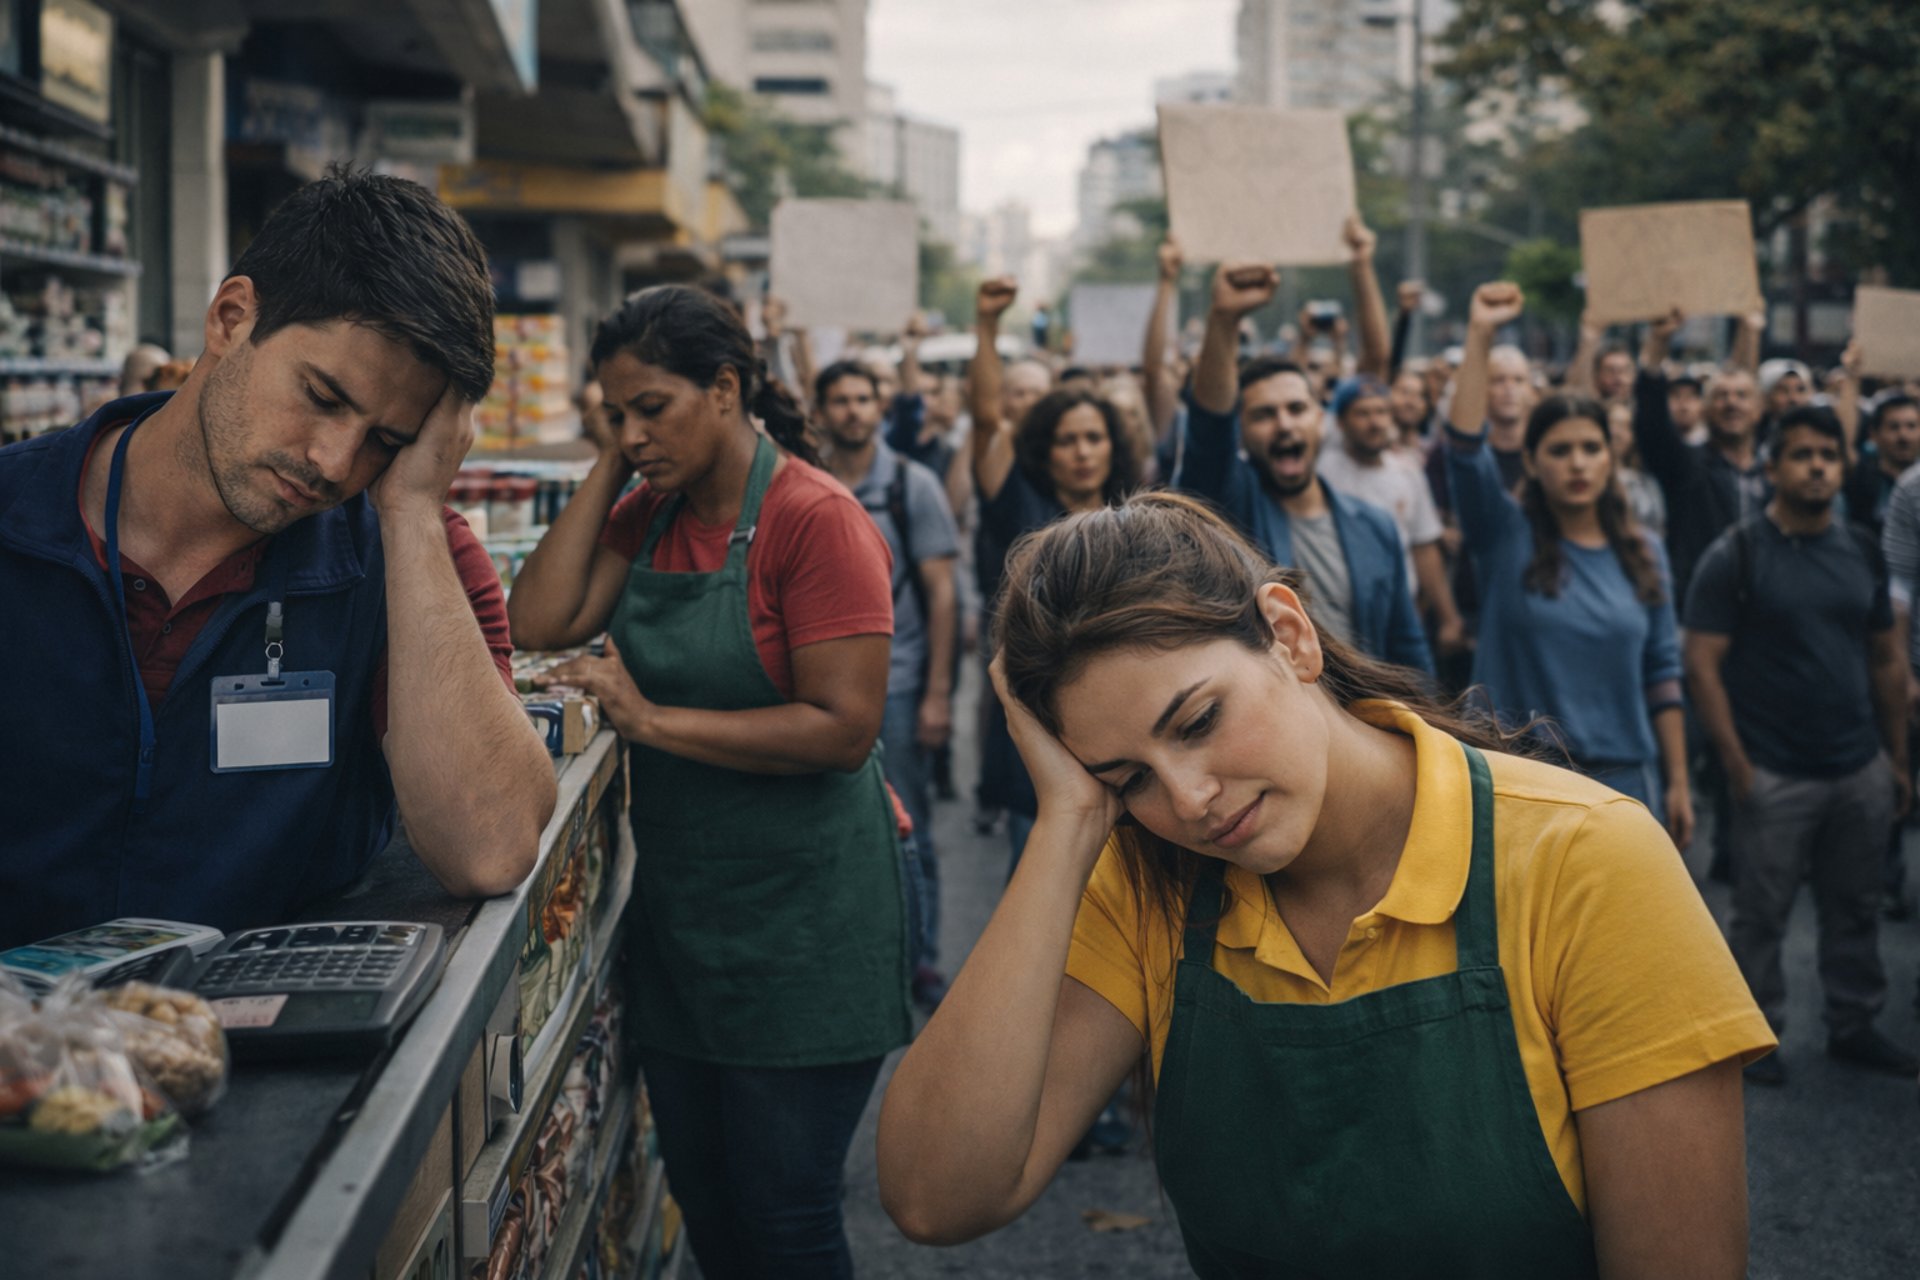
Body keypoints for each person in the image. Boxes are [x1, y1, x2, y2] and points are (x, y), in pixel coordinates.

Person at [877, 490, 1774, 1277]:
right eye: (1128, 778)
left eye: (1197, 721)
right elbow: (935, 1198)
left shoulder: (1589, 861)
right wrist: (1070, 824)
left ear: (1291, 635)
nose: (1187, 801)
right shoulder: (1146, 882)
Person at [0, 168, 555, 950]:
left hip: (279, 1052)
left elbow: (491, 845)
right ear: (231, 318)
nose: (334, 461)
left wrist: (411, 512)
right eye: (323, 396)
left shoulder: (410, 561)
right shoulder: (17, 520)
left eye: (386, 441)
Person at [507, 286, 911, 1278]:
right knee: (709, 1201)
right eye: (616, 413)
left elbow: (843, 727)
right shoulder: (648, 514)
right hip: (689, 918)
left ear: (726, 388)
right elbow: (540, 618)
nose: (637, 432)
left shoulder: (818, 520)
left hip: (809, 920)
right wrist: (617, 457)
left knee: (786, 1216)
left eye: (654, 407)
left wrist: (651, 722)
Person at [1683, 405, 1917, 1086]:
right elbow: (1701, 663)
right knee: (1760, 915)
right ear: (1773, 465)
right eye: (1802, 454)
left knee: (1857, 905)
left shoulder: (1861, 550)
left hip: (1856, 767)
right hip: (1773, 772)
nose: (1817, 466)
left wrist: (1894, 758)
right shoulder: (1737, 554)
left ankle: (1854, 1022)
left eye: (1829, 455)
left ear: (1844, 467)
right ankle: (1755, 1035)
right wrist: (1736, 764)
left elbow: (1884, 659)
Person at [1446, 283, 1689, 838]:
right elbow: (1463, 449)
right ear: (1531, 460)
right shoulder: (1504, 533)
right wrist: (1481, 333)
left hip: (1622, 784)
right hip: (1520, 779)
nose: (1577, 463)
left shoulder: (1644, 552)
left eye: (1590, 448)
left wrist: (1677, 780)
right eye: (1559, 450)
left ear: (1612, 455)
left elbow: (1663, 673)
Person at [1180, 261, 1432, 674]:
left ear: (1321, 418)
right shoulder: (1231, 511)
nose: (1284, 424)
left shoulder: (1376, 526)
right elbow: (1208, 432)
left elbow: (1408, 650)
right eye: (1264, 414)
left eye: (1297, 409)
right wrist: (1224, 319)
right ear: (1241, 431)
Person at [969, 276, 1137, 870]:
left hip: (1129, 733)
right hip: (1038, 740)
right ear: (1045, 451)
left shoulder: (1138, 524)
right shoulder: (1019, 508)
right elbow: (988, 423)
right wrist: (987, 326)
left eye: (1094, 437)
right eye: (1067, 440)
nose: (1083, 451)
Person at [817, 359, 962, 1008]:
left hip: (898, 688)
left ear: (882, 408)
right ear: (819, 411)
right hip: (820, 692)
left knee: (912, 828)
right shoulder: (807, 483)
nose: (852, 410)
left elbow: (943, 596)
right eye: (839, 400)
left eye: (863, 398)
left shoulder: (913, 485)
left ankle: (919, 960)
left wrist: (937, 695)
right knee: (831, 828)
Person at [1316, 374, 1466, 657]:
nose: (1375, 423)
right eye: (1362, 413)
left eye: (1382, 412)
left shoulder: (1407, 471)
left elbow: (1424, 547)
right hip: (1334, 620)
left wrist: (1448, 618)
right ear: (1340, 422)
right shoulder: (1322, 466)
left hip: (1396, 618)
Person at [1633, 310, 1768, 605]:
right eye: (1721, 396)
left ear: (1759, 410)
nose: (1731, 403)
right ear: (1705, 411)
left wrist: (1750, 331)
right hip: (1701, 608)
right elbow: (1652, 424)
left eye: (1742, 396)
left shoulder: (1774, 474)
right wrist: (1658, 343)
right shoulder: (1687, 467)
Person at [1843, 393, 1920, 535]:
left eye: (1911, 426)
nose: (1903, 435)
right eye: (1893, 427)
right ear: (1874, 434)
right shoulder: (1857, 479)